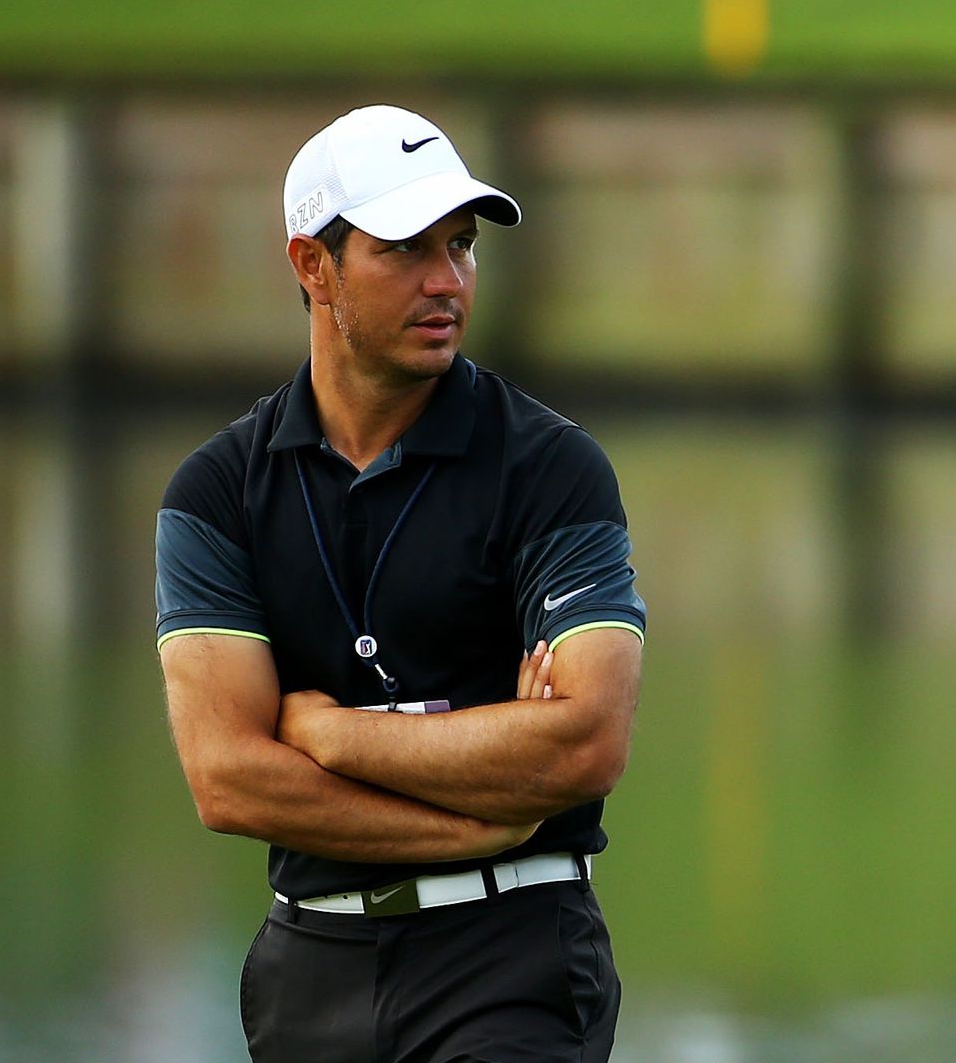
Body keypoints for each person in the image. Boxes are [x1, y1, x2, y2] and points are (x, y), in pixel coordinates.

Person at [155, 104, 646, 1062]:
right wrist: (483, 817)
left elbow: (585, 741)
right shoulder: (215, 493)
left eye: (461, 247)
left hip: (512, 961)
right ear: (311, 265)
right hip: (310, 966)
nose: (447, 282)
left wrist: (331, 734)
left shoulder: (551, 467)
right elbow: (227, 779)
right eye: (406, 250)